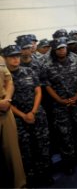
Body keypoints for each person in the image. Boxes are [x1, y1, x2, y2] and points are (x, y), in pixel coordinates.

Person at [3, 45, 54, 187]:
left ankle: (46, 174)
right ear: (5, 59)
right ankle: (30, 178)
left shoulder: (29, 71)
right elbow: (6, 101)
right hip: (18, 119)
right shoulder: (4, 79)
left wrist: (33, 112)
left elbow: (38, 92)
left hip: (37, 115)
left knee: (43, 146)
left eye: (17, 56)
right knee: (25, 151)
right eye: (11, 56)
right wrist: (23, 115)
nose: (15, 59)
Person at [43, 37, 77, 175]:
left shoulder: (76, 60)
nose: (62, 50)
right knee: (65, 134)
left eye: (63, 47)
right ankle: (69, 162)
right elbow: (47, 85)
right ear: (54, 50)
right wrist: (60, 100)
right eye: (59, 48)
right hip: (60, 105)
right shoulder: (47, 65)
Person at [0, 55, 26, 188]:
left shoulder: (0, 60)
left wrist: (8, 99)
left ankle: (20, 186)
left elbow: (9, 81)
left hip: (5, 109)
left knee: (13, 154)